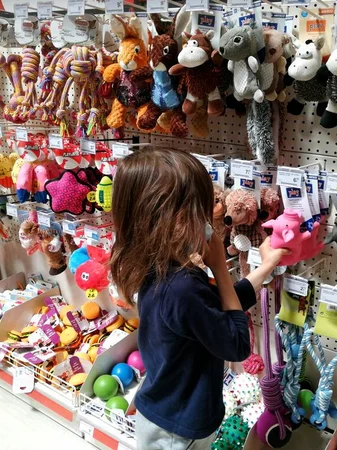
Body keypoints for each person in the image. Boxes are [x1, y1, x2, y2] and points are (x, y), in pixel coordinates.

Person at [110, 147, 289, 450]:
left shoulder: (162, 268)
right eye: (203, 210)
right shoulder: (181, 286)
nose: (211, 220)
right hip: (177, 430)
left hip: (164, 411)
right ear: (174, 217)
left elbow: (219, 307)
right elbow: (236, 344)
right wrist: (219, 266)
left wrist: (267, 266)